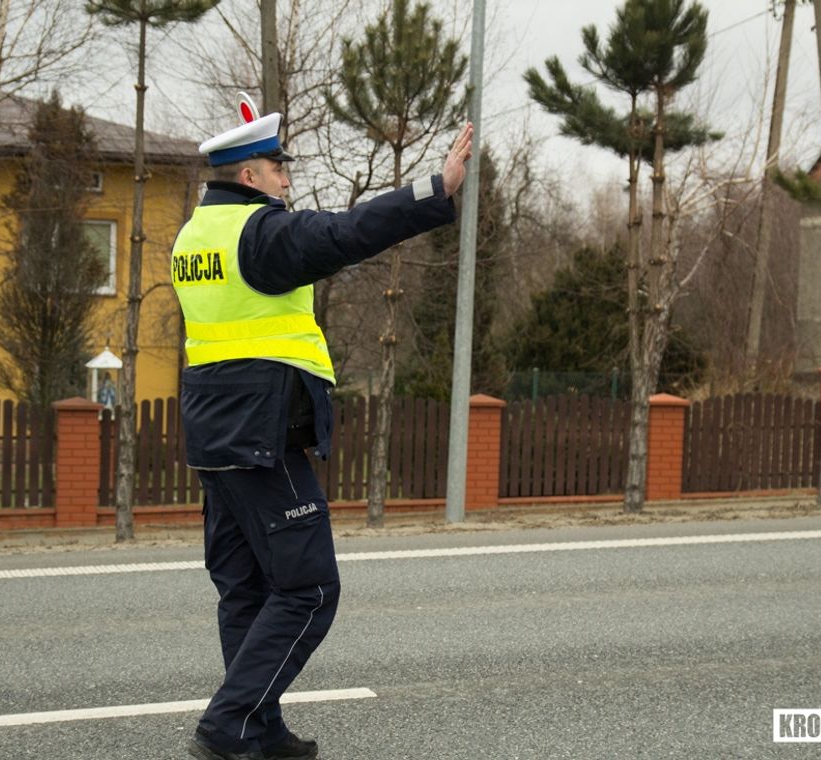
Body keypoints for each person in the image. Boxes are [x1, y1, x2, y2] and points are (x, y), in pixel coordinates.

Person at [172, 101, 472, 760]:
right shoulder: (262, 235)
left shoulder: (194, 237)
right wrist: (435, 191)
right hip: (262, 435)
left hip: (214, 436)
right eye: (279, 169)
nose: (287, 181)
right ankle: (230, 723)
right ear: (252, 174)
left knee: (248, 590)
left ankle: (258, 729)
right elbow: (347, 232)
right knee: (308, 589)